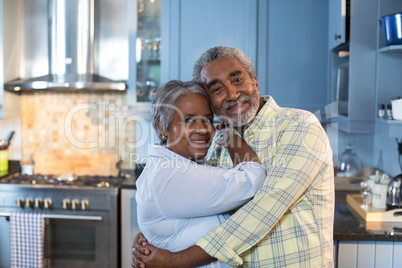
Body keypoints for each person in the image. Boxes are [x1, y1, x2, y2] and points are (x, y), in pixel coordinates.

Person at [133, 46, 335, 267]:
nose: (231, 94)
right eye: (217, 89)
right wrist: (155, 237)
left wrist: (175, 259)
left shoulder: (299, 126)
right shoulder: (221, 145)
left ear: (255, 82)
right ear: (210, 100)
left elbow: (263, 211)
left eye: (237, 80)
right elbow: (202, 211)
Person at [135, 80, 267, 268]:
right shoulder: (170, 174)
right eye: (188, 120)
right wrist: (232, 139)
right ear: (162, 127)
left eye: (207, 119)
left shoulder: (183, 167)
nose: (203, 129)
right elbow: (253, 177)